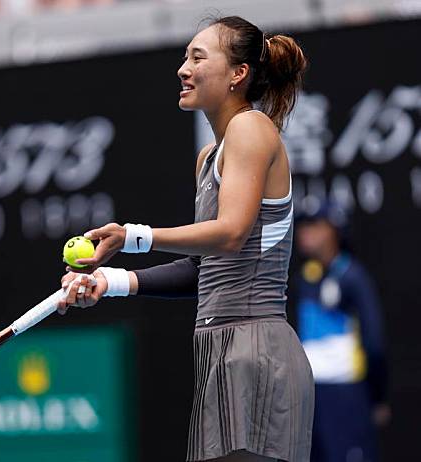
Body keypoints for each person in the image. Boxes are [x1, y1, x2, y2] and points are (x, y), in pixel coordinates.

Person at [58, 15, 313, 462]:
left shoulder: (251, 128)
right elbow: (203, 270)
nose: (183, 68)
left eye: (198, 57)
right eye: (185, 56)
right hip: (219, 353)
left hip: (256, 350)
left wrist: (134, 235)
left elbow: (231, 234)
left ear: (238, 74)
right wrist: (112, 281)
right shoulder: (208, 157)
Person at [294, 198, 390, 462]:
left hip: (346, 393)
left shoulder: (353, 276)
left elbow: (374, 342)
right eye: (302, 226)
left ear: (334, 229)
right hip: (310, 396)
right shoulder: (305, 277)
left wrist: (376, 394)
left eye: (315, 225)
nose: (305, 233)